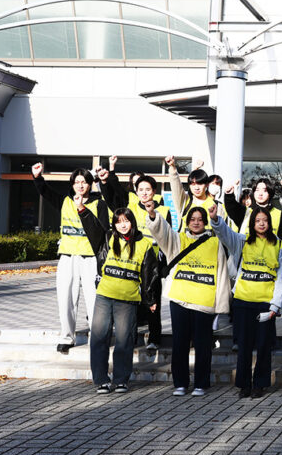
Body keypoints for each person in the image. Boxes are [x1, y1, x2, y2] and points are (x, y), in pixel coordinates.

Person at [146, 197, 230, 397]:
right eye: (192, 219)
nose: (196, 222)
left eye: (200, 219)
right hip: (180, 300)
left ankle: (201, 383)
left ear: (205, 222)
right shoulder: (178, 239)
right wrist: (152, 214)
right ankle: (181, 383)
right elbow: (162, 231)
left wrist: (221, 304)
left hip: (204, 302)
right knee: (180, 344)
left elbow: (222, 273)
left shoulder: (215, 243)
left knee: (203, 345)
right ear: (187, 221)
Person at [32, 162, 110, 354]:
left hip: (90, 258)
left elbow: (103, 232)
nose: (80, 185)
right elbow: (45, 192)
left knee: (94, 300)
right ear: (72, 184)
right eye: (77, 182)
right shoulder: (65, 201)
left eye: (84, 182)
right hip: (67, 256)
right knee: (65, 298)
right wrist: (37, 177)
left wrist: (82, 208)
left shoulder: (99, 204)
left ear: (90, 184)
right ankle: (67, 337)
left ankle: (97, 338)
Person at [79, 204, 158, 393]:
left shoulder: (144, 244)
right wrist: (82, 208)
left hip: (127, 300)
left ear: (132, 222)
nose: (123, 225)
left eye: (126, 221)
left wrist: (150, 300)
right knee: (99, 338)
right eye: (118, 222)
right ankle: (101, 380)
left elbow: (150, 273)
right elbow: (92, 228)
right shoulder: (107, 238)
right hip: (104, 296)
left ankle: (121, 380)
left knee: (124, 340)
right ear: (114, 224)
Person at [211, 206, 282, 398]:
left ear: (270, 223)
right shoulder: (242, 241)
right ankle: (244, 384)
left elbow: (281, 278)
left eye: (265, 220)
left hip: (265, 304)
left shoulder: (280, 245)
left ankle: (260, 384)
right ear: (252, 223)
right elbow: (225, 234)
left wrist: (275, 305)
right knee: (243, 346)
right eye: (257, 220)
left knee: (263, 346)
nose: (261, 224)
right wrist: (215, 219)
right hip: (243, 302)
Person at [101, 165, 171, 351]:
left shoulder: (164, 211)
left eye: (148, 189)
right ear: (136, 191)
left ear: (154, 191)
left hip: (153, 263)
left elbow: (168, 239)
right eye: (141, 189)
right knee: (131, 303)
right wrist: (106, 181)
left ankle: (154, 338)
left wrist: (165, 266)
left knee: (153, 301)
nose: (144, 193)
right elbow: (111, 198)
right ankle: (131, 338)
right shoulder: (129, 208)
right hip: (131, 261)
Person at [225, 177, 282, 242]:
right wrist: (229, 195)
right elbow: (232, 208)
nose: (260, 194)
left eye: (265, 190)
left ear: (270, 193)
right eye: (257, 190)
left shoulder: (280, 215)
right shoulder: (245, 212)